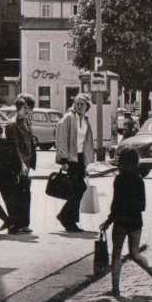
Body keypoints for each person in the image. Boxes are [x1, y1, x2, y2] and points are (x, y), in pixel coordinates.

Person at [99, 149, 152, 298]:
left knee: (116, 253)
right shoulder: (139, 180)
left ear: (121, 163)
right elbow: (142, 206)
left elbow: (115, 204)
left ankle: (115, 289)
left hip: (121, 221)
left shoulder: (119, 180)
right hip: (135, 222)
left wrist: (108, 221)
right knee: (135, 253)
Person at [55, 94, 96, 232]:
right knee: (77, 189)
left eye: (82, 104)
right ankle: (67, 219)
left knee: (80, 189)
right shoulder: (68, 118)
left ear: (87, 107)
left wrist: (86, 162)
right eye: (77, 104)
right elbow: (61, 139)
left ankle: (68, 219)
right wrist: (63, 160)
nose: (79, 107)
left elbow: (86, 142)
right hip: (70, 158)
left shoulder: (85, 120)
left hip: (80, 158)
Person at [4, 93, 37, 234]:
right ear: (18, 108)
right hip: (17, 165)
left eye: (29, 108)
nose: (27, 110)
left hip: (26, 164)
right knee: (16, 195)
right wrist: (21, 163)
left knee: (25, 194)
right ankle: (15, 225)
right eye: (24, 107)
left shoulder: (26, 122)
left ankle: (24, 223)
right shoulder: (13, 124)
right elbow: (14, 146)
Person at [0, 123, 18, 232]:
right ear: (1, 133)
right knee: (9, 201)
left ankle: (7, 220)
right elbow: (16, 160)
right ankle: (13, 225)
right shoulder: (9, 143)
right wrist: (16, 174)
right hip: (8, 176)